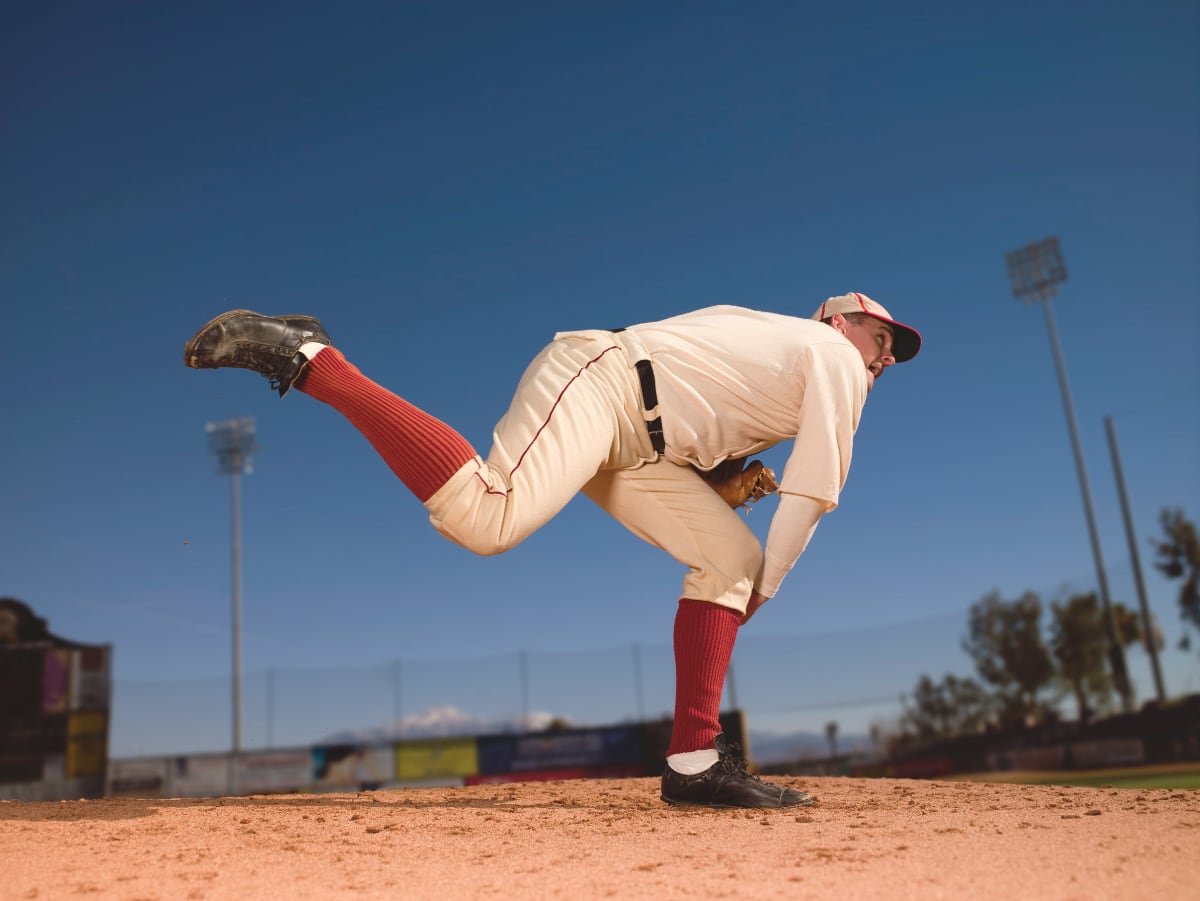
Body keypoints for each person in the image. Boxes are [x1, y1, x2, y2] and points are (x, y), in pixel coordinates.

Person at [183, 292, 921, 808]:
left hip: (638, 431)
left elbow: (688, 407)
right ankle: (313, 358)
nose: (884, 358)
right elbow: (813, 495)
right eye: (881, 338)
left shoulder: (784, 358)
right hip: (602, 387)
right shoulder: (830, 355)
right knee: (486, 517)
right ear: (840, 318)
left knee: (729, 558)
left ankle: (695, 762)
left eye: (891, 351)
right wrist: (772, 587)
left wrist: (722, 486)